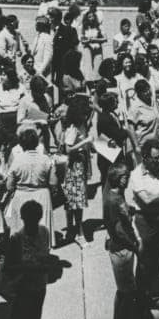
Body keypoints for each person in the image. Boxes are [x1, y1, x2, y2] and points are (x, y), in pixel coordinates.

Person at [128, 138, 159, 315]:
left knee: (158, 258)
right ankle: (141, 300)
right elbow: (146, 201)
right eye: (155, 158)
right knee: (143, 262)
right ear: (145, 157)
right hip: (144, 221)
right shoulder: (135, 175)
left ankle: (156, 296)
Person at [3, 199, 53, 319]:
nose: (32, 223)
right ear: (23, 219)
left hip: (39, 288)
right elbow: (8, 268)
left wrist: (45, 267)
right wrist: (29, 268)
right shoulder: (16, 240)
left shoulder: (44, 232)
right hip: (22, 291)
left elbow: (46, 256)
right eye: (30, 219)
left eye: (35, 219)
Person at [102, 163, 141, 319]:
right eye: (125, 176)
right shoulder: (115, 200)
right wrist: (133, 245)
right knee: (126, 292)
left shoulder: (115, 195)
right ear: (118, 178)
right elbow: (119, 230)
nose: (128, 179)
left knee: (124, 290)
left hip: (119, 247)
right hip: (122, 250)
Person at [61, 97, 93, 244]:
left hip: (82, 162)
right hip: (74, 165)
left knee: (77, 198)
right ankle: (76, 230)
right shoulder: (73, 128)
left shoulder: (81, 124)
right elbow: (68, 149)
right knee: (74, 199)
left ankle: (74, 229)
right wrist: (84, 142)